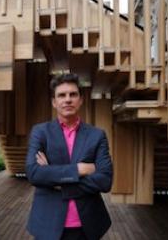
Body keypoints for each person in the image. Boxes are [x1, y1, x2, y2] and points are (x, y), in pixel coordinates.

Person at [26, 73, 113, 240]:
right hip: (48, 224)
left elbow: (105, 180)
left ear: (80, 100)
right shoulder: (40, 132)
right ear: (54, 102)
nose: (68, 99)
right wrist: (79, 169)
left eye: (73, 94)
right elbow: (34, 173)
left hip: (87, 225)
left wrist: (54, 178)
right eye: (62, 95)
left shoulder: (97, 135)